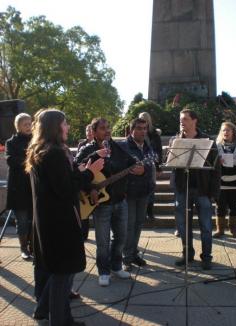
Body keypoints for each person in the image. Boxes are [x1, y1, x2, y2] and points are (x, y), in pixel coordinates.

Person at [25, 109, 104, 326]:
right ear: (54, 127)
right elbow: (67, 189)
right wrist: (90, 172)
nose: (68, 126)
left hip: (49, 220)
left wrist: (79, 170)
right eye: (65, 123)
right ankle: (60, 322)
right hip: (60, 222)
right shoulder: (55, 153)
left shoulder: (41, 150)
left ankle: (42, 310)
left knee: (58, 270)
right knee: (63, 272)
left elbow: (58, 182)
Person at [76, 117, 140, 287]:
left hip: (120, 200)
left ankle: (116, 266)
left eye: (108, 127)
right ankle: (103, 271)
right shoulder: (88, 149)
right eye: (103, 128)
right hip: (101, 203)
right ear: (94, 131)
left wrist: (140, 168)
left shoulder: (117, 147)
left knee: (121, 237)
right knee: (102, 241)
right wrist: (91, 188)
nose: (107, 130)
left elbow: (132, 163)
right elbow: (77, 170)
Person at [171, 108, 221, 270]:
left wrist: (214, 193)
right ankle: (187, 254)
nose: (182, 122)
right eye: (181, 119)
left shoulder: (208, 140)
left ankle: (206, 257)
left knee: (206, 226)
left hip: (203, 190)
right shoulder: (176, 140)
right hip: (182, 189)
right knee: (183, 226)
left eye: (185, 119)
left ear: (194, 120)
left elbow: (216, 170)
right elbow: (170, 163)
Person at [122, 118, 154, 271]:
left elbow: (151, 165)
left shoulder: (147, 145)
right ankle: (126, 258)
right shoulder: (123, 146)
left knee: (139, 224)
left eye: (145, 128)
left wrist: (145, 170)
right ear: (131, 130)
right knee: (129, 226)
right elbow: (119, 168)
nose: (143, 131)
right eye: (140, 128)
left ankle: (133, 253)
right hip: (128, 192)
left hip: (144, 191)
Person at [5, 113, 33, 260]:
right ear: (18, 126)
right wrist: (30, 160)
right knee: (22, 220)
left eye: (30, 123)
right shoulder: (11, 142)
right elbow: (11, 160)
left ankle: (34, 246)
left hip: (34, 188)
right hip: (19, 188)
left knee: (35, 220)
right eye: (25, 124)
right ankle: (23, 248)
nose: (29, 127)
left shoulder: (36, 140)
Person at [213, 122, 236, 238]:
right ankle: (220, 230)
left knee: (234, 206)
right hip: (220, 182)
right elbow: (210, 162)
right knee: (220, 206)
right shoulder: (216, 146)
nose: (225, 132)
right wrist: (218, 162)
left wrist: (232, 160)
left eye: (228, 130)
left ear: (233, 132)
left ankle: (233, 230)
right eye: (223, 130)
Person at [138, 112, 162, 221]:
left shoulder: (154, 134)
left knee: (151, 188)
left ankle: (150, 212)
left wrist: (158, 166)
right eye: (140, 119)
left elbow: (159, 150)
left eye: (144, 119)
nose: (143, 122)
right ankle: (141, 213)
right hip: (139, 163)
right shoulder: (136, 132)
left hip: (151, 164)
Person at [76, 123, 94, 241]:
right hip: (84, 177)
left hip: (96, 175)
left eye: (90, 130)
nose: (88, 132)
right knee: (85, 209)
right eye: (87, 130)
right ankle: (83, 234)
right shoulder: (82, 145)